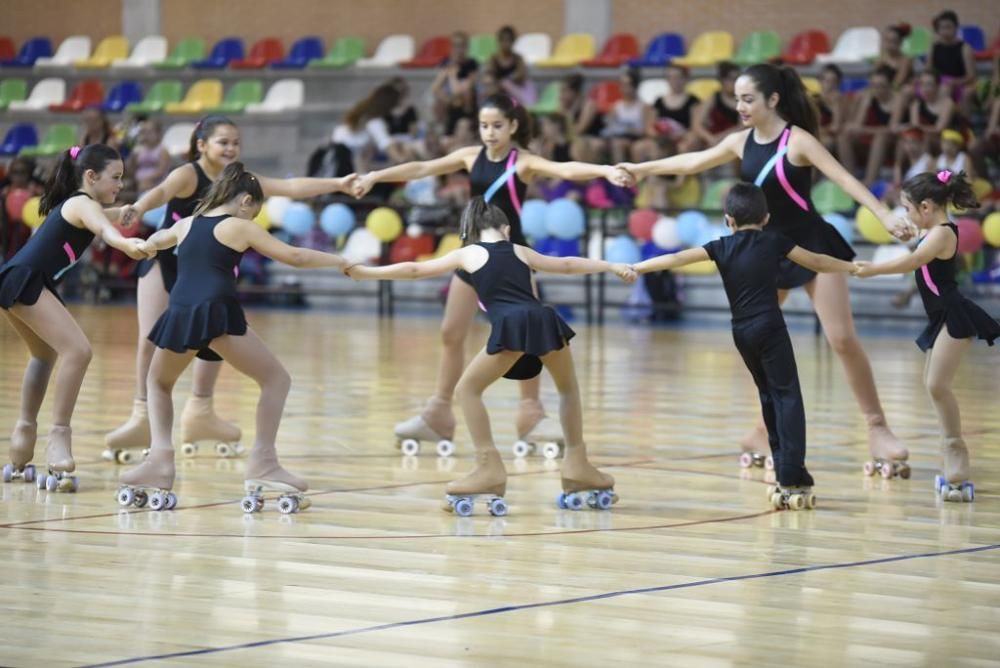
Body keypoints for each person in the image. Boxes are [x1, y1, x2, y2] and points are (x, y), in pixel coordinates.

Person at [619, 63, 916, 471]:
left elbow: (846, 180)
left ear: (772, 99)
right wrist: (640, 170)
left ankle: (877, 427)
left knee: (842, 340)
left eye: (748, 99)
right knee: (762, 344)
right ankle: (764, 427)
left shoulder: (800, 141)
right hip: (766, 250)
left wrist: (884, 215)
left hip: (811, 243)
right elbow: (692, 162)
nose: (740, 106)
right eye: (737, 99)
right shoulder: (740, 142)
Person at [352, 94, 632, 458]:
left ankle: (531, 415)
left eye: (497, 125)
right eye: (484, 125)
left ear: (513, 126)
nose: (489, 132)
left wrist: (605, 171)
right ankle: (439, 414)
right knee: (451, 334)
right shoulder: (471, 157)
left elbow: (566, 169)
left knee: (527, 338)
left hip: (513, 259)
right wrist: (376, 175)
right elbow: (422, 168)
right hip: (472, 259)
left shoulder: (523, 162)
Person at [345, 197, 634, 514]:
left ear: (471, 231)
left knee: (467, 390)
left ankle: (489, 467)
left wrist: (368, 273)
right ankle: (577, 464)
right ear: (506, 229)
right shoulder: (519, 250)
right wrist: (611, 266)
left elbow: (415, 269)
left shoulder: (468, 253)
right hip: (544, 320)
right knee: (568, 389)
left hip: (512, 325)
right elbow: (566, 264)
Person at [105, 116, 357, 464]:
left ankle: (201, 409)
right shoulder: (188, 174)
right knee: (151, 339)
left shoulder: (238, 182)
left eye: (236, 142)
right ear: (201, 145)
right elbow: (160, 193)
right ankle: (141, 416)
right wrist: (138, 208)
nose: (231, 148)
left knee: (215, 339)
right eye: (223, 141)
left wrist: (339, 184)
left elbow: (293, 187)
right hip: (165, 261)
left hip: (208, 268)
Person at [632, 183, 858, 508]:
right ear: (766, 218)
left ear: (729, 220)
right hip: (770, 326)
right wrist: (853, 267)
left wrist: (637, 268)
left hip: (741, 333)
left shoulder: (720, 246)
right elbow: (818, 262)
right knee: (788, 395)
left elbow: (678, 257)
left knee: (768, 395)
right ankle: (792, 472)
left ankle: (784, 468)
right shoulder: (775, 240)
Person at [0, 145, 149, 489]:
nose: (119, 184)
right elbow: (104, 229)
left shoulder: (82, 205)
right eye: (115, 178)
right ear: (91, 176)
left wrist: (124, 212)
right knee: (78, 351)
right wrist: (127, 244)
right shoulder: (82, 203)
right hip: (27, 281)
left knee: (44, 354)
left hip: (23, 280)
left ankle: (22, 440)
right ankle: (58, 437)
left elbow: (101, 218)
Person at [855, 171, 998, 502]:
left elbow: (916, 260)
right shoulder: (932, 229)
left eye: (908, 209)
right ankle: (947, 446)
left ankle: (955, 449)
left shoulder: (943, 233)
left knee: (937, 384)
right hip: (940, 315)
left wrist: (873, 270)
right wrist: (908, 230)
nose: (906, 215)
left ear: (926, 206)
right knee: (932, 383)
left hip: (954, 314)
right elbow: (917, 243)